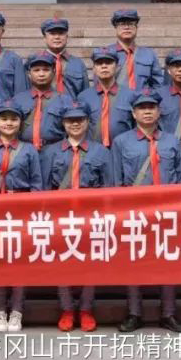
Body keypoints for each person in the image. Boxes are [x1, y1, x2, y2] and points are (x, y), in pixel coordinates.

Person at [112, 88, 181, 333]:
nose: (147, 112)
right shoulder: (121, 142)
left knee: (168, 262)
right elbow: (116, 180)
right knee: (134, 262)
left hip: (167, 211)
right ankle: (134, 313)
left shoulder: (172, 141)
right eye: (142, 108)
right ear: (134, 113)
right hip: (134, 212)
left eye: (151, 107)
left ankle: (169, 313)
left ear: (159, 111)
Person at [41, 101, 112, 333]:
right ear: (63, 123)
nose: (75, 124)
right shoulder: (51, 152)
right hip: (60, 215)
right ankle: (67, 309)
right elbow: (44, 187)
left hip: (91, 215)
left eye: (79, 119)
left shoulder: (101, 151)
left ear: (88, 122)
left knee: (89, 263)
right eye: (70, 120)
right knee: (62, 262)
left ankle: (86, 308)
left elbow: (109, 187)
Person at [0, 100, 41, 333]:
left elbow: (36, 184)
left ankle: (17, 310)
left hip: (21, 209)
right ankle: (0, 310)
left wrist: (33, 214)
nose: (9, 123)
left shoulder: (29, 150)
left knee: (20, 262)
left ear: (20, 123)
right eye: (4, 118)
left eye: (13, 119)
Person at [10, 51, 70, 150]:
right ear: (29, 74)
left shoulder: (64, 100)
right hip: (24, 150)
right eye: (36, 70)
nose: (41, 74)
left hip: (54, 151)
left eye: (46, 70)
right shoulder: (17, 100)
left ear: (53, 72)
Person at [77, 45, 135, 149]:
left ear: (117, 67)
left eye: (108, 62)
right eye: (99, 63)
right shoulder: (84, 97)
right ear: (94, 69)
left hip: (123, 150)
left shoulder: (130, 95)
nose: (104, 66)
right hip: (93, 151)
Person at [109, 9, 164, 90]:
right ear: (115, 28)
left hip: (142, 97)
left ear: (136, 28)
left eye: (131, 24)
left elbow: (158, 85)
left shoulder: (149, 54)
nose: (127, 27)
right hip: (115, 98)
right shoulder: (106, 53)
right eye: (122, 24)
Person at [40, 18, 88, 96]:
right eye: (52, 33)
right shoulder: (35, 64)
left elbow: (85, 94)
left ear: (67, 37)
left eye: (61, 33)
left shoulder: (78, 63)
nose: (57, 37)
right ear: (45, 38)